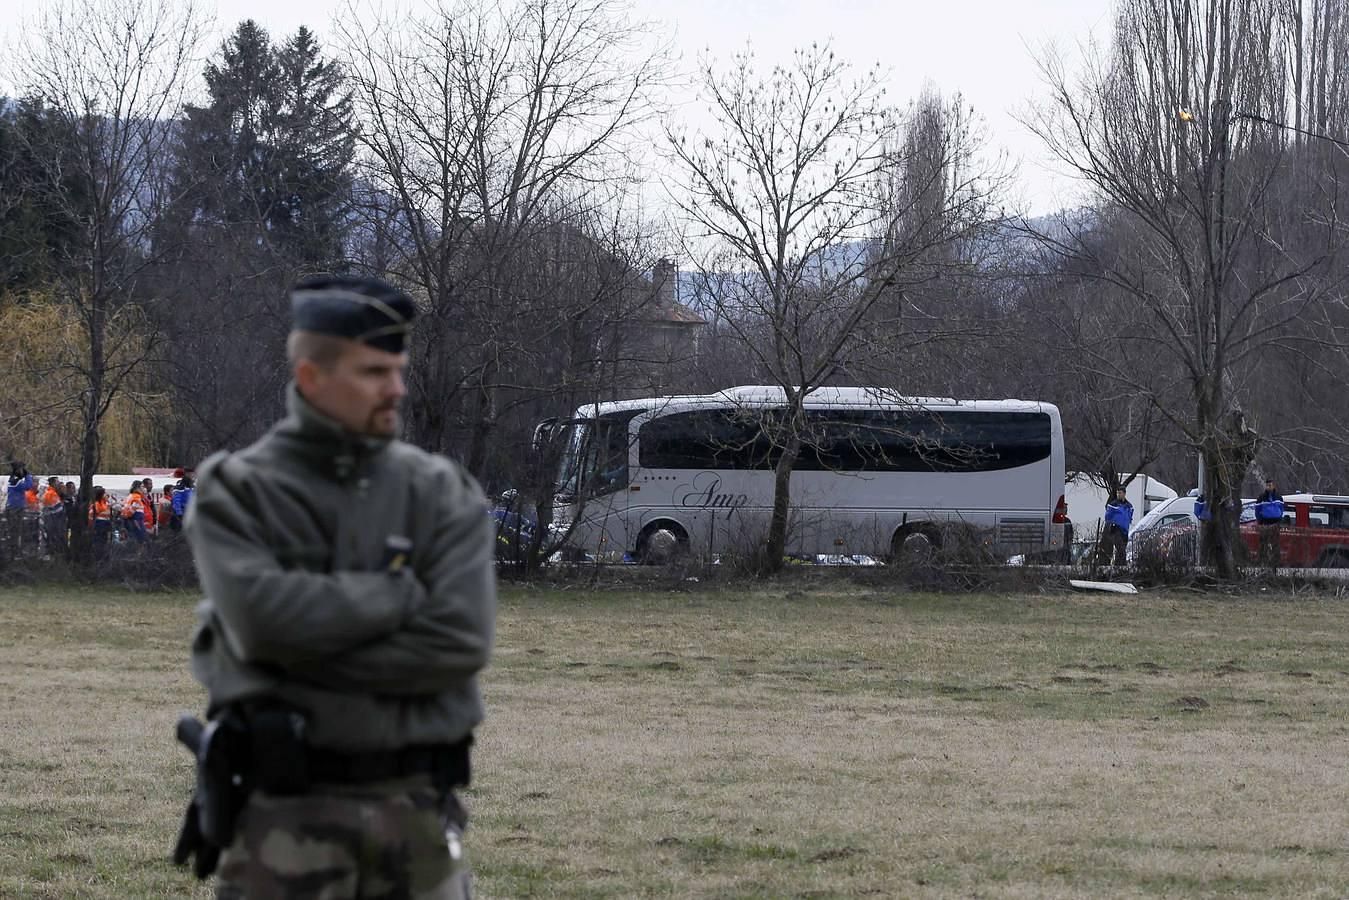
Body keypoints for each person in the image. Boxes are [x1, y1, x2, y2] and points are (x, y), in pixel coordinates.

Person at [178, 273, 496, 898]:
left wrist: (282, 664)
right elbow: (261, 623)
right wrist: (400, 597)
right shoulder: (239, 490)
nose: (396, 389)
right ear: (311, 377)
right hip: (283, 828)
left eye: (398, 369)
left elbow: (459, 642)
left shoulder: (440, 493)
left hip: (418, 824)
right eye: (374, 372)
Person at [1255, 477, 1285, 568]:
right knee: (1263, 545)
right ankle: (1262, 563)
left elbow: (1282, 509)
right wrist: (1260, 522)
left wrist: (1279, 520)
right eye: (1267, 485)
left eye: (1270, 485)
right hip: (1265, 524)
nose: (1269, 487)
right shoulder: (1261, 497)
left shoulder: (1279, 497)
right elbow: (1257, 510)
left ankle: (1275, 564)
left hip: (1275, 524)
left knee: (1275, 545)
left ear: (1273, 485)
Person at [6, 461, 34, 555]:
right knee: (15, 530)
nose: (23, 471)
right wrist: (28, 476)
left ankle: (15, 550)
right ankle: (14, 551)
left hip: (16, 507)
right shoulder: (15, 481)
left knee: (17, 530)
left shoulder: (15, 479)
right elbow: (28, 486)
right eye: (21, 469)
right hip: (15, 508)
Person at [1102, 486, 1133, 566]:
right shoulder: (1113, 505)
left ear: (1124, 494)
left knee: (1122, 550)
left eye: (1120, 493)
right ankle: (1123, 566)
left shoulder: (1129, 506)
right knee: (1121, 549)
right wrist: (1112, 523)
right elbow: (1107, 516)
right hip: (1116, 529)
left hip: (1125, 530)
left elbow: (1130, 515)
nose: (1118, 495)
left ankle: (1118, 566)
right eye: (1117, 493)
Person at [41, 476, 66, 553]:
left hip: (54, 521)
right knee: (53, 539)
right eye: (57, 482)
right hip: (52, 522)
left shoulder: (53, 493)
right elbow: (54, 508)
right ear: (53, 483)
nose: (58, 484)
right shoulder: (50, 493)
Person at [89, 486, 113, 557]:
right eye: (104, 493)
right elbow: (91, 516)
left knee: (104, 544)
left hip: (105, 526)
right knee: (98, 545)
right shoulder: (96, 504)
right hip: (99, 526)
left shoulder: (105, 503)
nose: (107, 494)